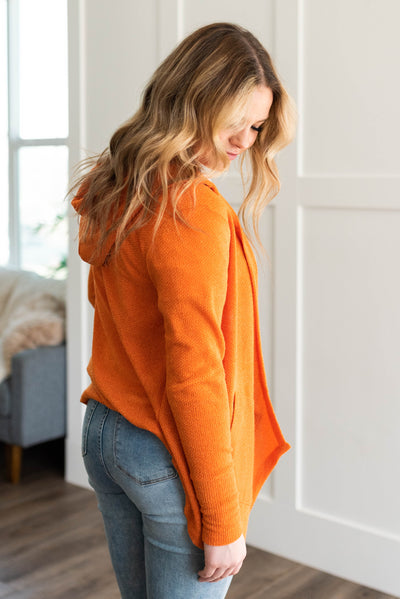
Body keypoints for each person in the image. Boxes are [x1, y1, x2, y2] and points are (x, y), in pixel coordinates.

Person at [71, 22, 295, 599]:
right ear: (196, 100)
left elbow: (114, 314)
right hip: (161, 448)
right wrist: (222, 522)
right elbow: (195, 370)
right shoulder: (192, 206)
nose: (247, 141)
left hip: (106, 431)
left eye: (257, 126)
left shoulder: (118, 184)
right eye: (237, 121)